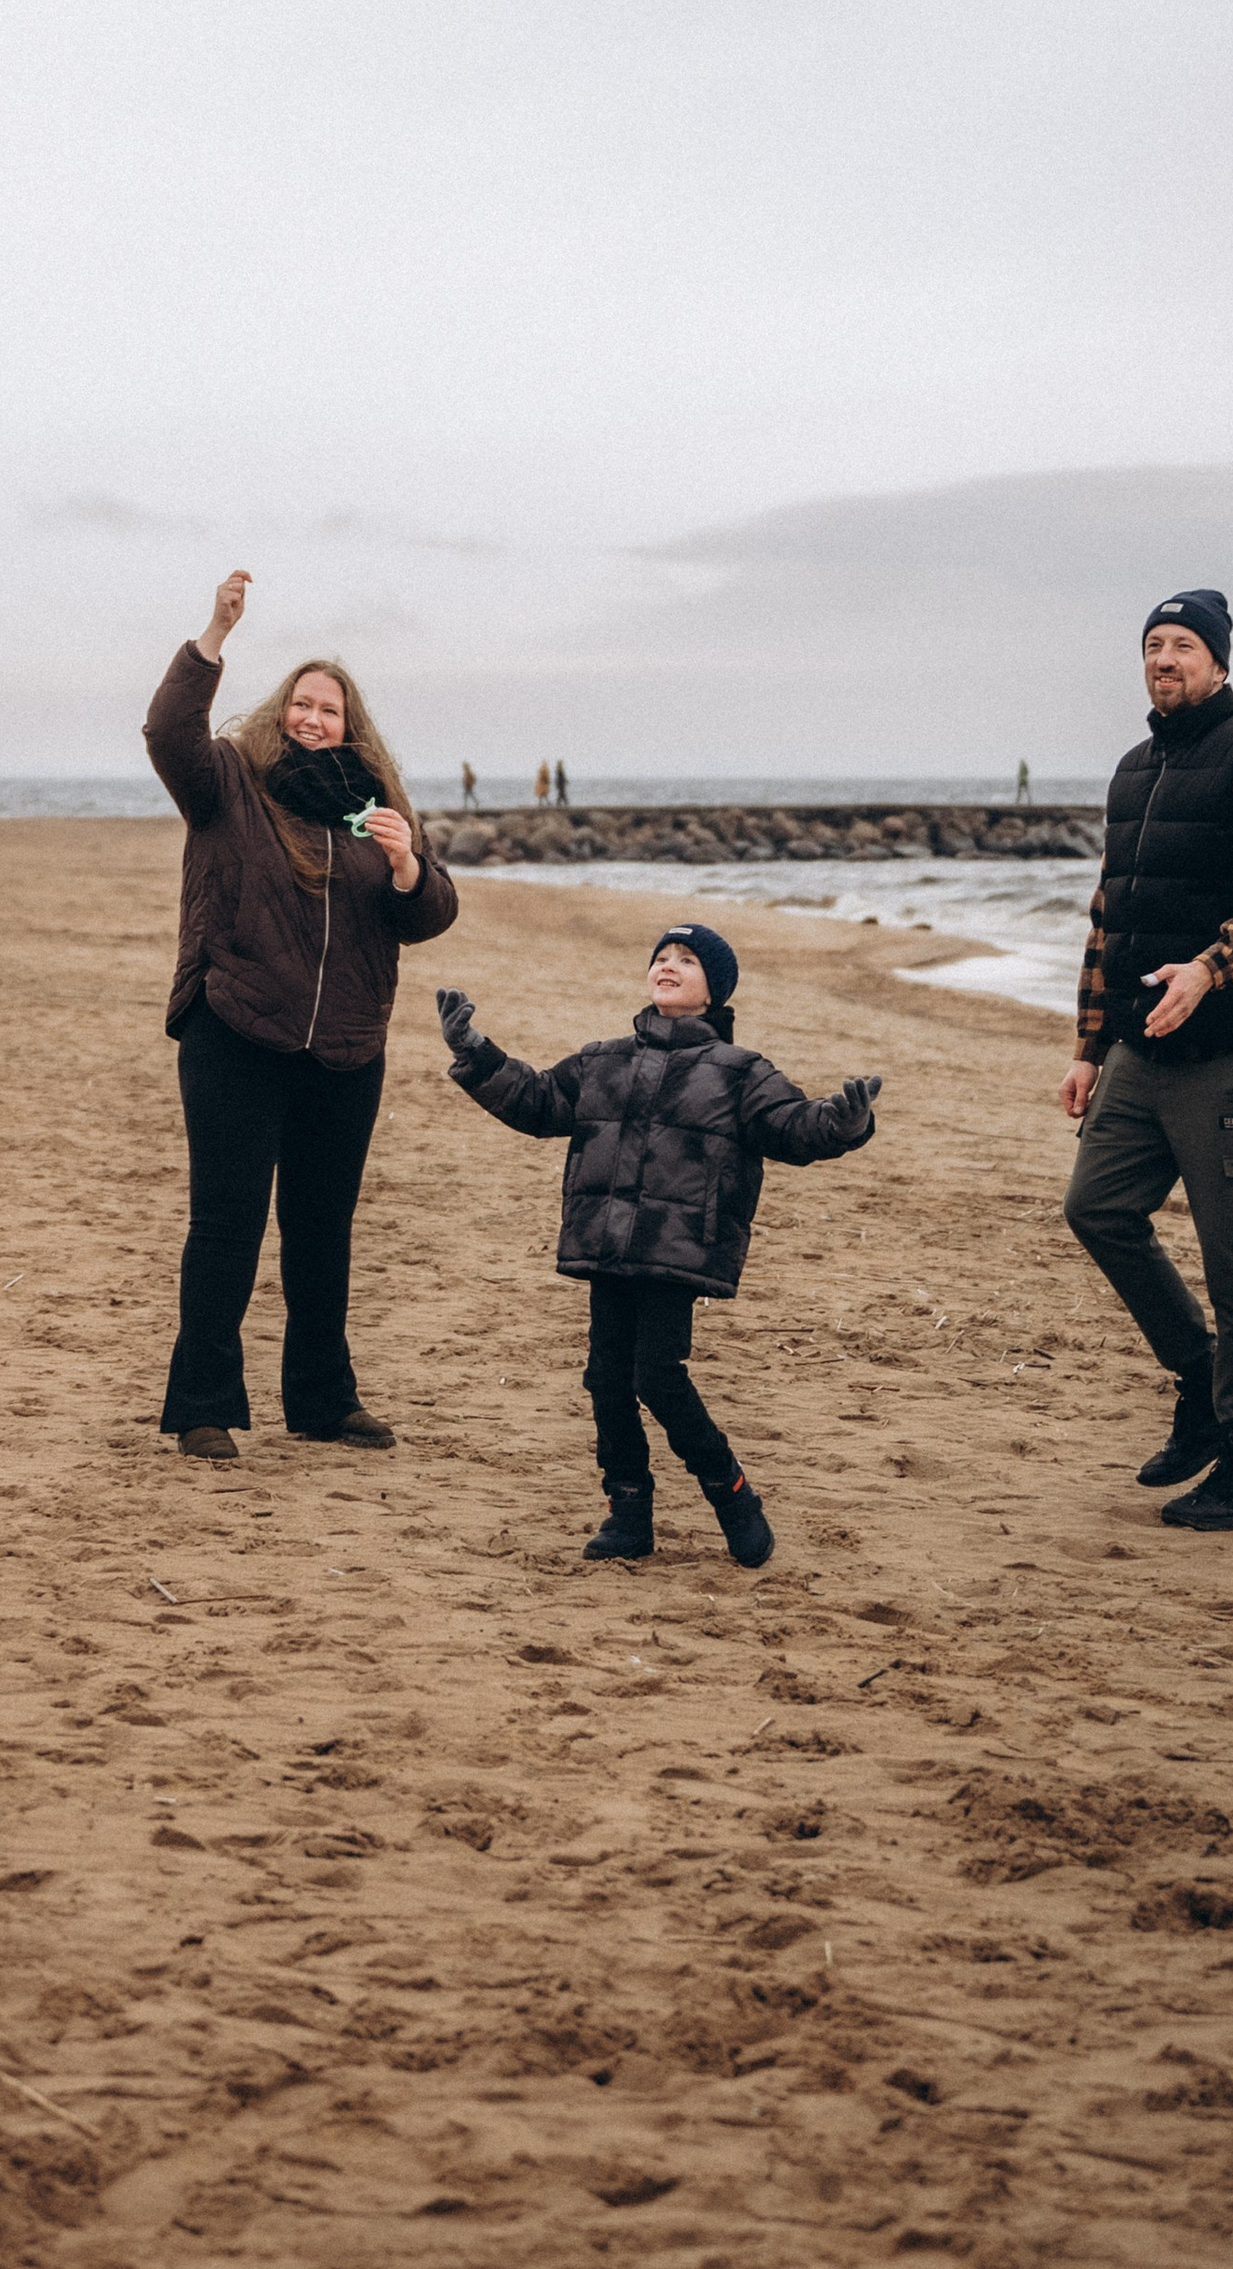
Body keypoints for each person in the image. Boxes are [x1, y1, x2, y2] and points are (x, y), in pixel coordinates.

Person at [434, 928, 878, 1568]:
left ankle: (732, 1495)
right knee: (606, 1379)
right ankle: (627, 1511)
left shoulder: (740, 1070)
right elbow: (537, 1100)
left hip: (676, 1250)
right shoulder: (602, 1059)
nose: (669, 967)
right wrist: (475, 1053)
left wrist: (843, 1123)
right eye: (662, 958)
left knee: (657, 1377)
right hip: (606, 1243)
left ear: (714, 990)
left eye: (688, 961)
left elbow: (791, 1125)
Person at [145, 569, 458, 1464]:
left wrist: (409, 868)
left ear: (351, 728)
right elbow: (169, 733)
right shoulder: (232, 785)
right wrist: (213, 634)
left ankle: (324, 1402)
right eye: (303, 704)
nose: (315, 718)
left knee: (323, 1231)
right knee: (227, 1224)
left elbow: (429, 916)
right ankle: (203, 1406)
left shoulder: (378, 811)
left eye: (332, 710)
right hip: (237, 1029)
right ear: (281, 711)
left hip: (346, 1049)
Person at [1060, 589, 1233, 1536]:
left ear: (1218, 662)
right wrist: (1091, 1044)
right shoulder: (1136, 769)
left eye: (1182, 646)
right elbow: (1109, 919)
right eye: (1152, 645)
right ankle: (1204, 1386)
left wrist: (1211, 971)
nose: (1163, 659)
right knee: (1095, 1208)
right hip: (1141, 1043)